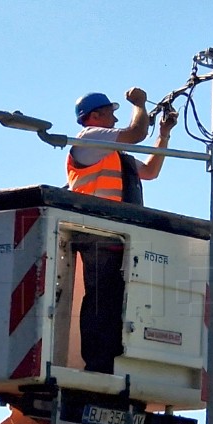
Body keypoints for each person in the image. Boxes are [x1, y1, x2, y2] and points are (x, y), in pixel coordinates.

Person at [66, 88, 178, 374]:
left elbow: (150, 171)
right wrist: (138, 105)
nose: (115, 117)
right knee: (102, 299)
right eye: (110, 113)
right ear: (95, 116)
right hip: (97, 231)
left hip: (115, 234)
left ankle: (110, 361)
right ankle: (98, 363)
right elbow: (136, 133)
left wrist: (163, 134)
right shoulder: (89, 139)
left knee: (113, 299)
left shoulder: (114, 153)